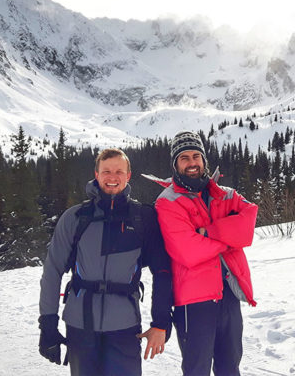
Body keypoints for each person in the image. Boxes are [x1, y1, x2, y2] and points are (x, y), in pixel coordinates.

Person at [38, 148, 173, 376]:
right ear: (97, 174)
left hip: (125, 327)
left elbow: (162, 271)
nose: (113, 177)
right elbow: (52, 271)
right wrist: (48, 324)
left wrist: (161, 323)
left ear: (128, 175)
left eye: (119, 171)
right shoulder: (76, 217)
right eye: (106, 171)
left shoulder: (142, 217)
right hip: (81, 326)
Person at [145, 131, 258, 376]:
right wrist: (229, 241)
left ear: (204, 160)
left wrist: (208, 232)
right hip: (193, 303)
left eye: (196, 155)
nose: (192, 162)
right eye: (184, 157)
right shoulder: (167, 202)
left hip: (227, 294)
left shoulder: (225, 193)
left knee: (230, 367)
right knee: (197, 370)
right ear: (175, 164)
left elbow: (247, 224)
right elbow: (187, 250)